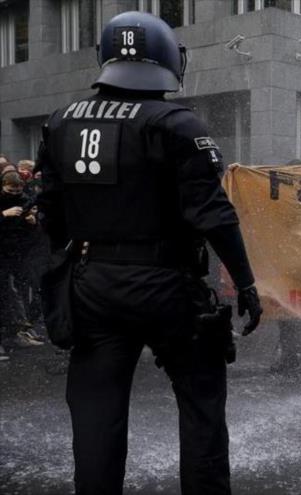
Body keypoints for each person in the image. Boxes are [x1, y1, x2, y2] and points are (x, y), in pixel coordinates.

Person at [36, 12, 263, 494]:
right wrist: (244, 281)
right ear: (166, 59)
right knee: (201, 406)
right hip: (168, 286)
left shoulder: (61, 123)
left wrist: (69, 269)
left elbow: (51, 212)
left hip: (92, 283)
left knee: (96, 417)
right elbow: (215, 216)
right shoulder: (177, 124)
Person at [0, 171, 44, 358]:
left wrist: (32, 222)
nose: (14, 194)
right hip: (2, 252)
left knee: (21, 291)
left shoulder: (26, 199)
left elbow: (33, 233)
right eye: (11, 190)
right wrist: (3, 214)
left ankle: (20, 329)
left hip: (19, 252)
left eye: (17, 191)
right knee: (7, 294)